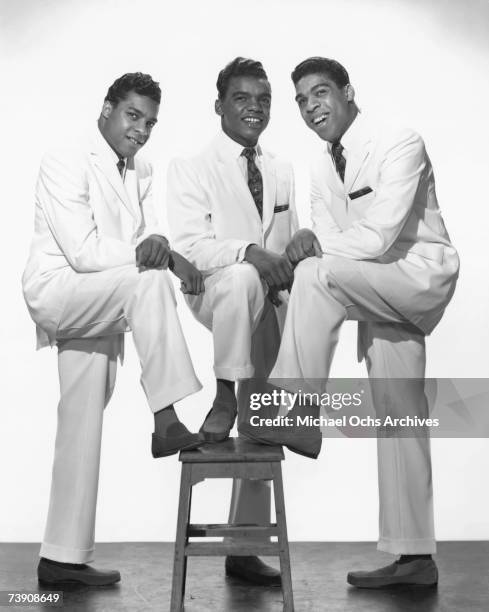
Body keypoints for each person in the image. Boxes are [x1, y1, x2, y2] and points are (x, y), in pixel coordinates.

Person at [249, 57, 459, 587]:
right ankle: (415, 559)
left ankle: (297, 406)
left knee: (316, 272)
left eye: (320, 93)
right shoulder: (320, 167)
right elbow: (326, 233)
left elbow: (381, 234)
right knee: (400, 412)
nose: (311, 107)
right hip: (372, 284)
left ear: (348, 91)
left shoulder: (399, 141)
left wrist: (308, 255)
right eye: (301, 100)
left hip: (414, 275)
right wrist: (307, 254)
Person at [22, 72, 205, 586]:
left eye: (150, 122)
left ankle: (61, 559)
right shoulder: (64, 159)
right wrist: (163, 257)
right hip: (62, 290)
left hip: (104, 291)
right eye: (133, 116)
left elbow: (147, 235)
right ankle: (167, 418)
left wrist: (165, 248)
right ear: (106, 108)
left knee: (80, 422)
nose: (141, 130)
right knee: (149, 285)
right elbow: (82, 252)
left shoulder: (142, 168)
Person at [166, 57, 298, 586]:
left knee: (264, 420)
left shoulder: (282, 168)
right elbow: (191, 246)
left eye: (263, 99)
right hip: (214, 289)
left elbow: (287, 241)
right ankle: (225, 392)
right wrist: (249, 252)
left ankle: (244, 549)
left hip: (270, 296)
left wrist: (296, 261)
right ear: (218, 105)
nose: (255, 108)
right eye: (243, 98)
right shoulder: (191, 166)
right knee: (244, 277)